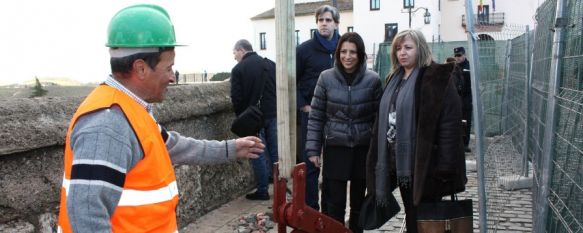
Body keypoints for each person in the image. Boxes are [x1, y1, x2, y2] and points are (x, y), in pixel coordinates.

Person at [57, 5, 264, 233]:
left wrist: (229, 149)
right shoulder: (108, 125)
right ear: (141, 68)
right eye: (169, 67)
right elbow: (86, 218)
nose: (172, 77)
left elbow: (171, 145)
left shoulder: (131, 109)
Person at [366, 30, 466, 233]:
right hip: (400, 164)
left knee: (426, 219)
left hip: (426, 165)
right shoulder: (394, 78)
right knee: (413, 215)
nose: (402, 52)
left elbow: (449, 124)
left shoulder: (437, 78)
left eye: (408, 47)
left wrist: (444, 168)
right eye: (398, 48)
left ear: (420, 49)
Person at [306, 32, 381, 233]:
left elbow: (378, 119)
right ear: (338, 53)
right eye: (344, 52)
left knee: (359, 202)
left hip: (362, 149)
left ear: (361, 54)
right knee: (333, 202)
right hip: (335, 147)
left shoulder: (373, 80)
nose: (348, 56)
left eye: (353, 52)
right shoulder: (326, 78)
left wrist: (378, 150)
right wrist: (313, 149)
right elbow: (316, 116)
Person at [296, 4, 340, 211]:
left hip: (338, 116)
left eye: (328, 20)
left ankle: (330, 213)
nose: (324, 23)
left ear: (336, 23)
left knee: (333, 166)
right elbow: (292, 82)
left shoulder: (344, 48)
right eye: (320, 20)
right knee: (311, 164)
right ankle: (311, 211)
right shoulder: (304, 50)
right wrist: (303, 106)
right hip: (311, 116)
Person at [230, 39, 278, 200]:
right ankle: (278, 186)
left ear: (241, 50)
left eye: (234, 52)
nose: (234, 56)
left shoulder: (238, 69)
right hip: (272, 113)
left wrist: (242, 119)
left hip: (253, 117)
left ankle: (263, 190)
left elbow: (236, 98)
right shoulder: (270, 64)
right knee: (274, 152)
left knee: (257, 152)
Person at [454, 46, 473, 153]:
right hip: (456, 97)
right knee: (456, 120)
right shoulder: (454, 66)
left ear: (464, 55)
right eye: (456, 56)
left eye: (459, 55)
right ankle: (456, 142)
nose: (458, 58)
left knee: (465, 121)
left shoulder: (469, 66)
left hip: (466, 98)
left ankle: (465, 143)